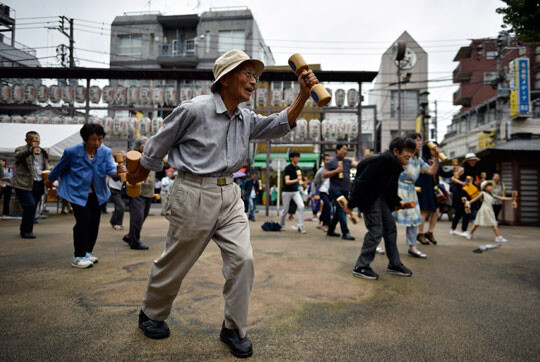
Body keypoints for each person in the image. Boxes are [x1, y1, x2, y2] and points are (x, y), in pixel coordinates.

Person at [128, 49, 319, 358]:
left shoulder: (246, 117)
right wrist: (137, 176)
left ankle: (233, 327)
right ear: (226, 78)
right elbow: (156, 145)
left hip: (230, 195)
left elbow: (280, 123)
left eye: (256, 76)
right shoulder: (194, 110)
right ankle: (151, 313)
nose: (254, 81)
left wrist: (304, 94)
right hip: (192, 192)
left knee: (243, 260)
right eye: (248, 74)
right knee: (176, 261)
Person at [48, 123, 125, 268]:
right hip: (77, 192)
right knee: (83, 221)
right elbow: (58, 169)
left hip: (98, 193)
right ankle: (78, 256)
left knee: (94, 223)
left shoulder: (105, 152)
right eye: (93, 139)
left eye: (100, 139)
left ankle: (88, 252)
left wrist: (119, 171)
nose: (97, 143)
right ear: (85, 139)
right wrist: (50, 181)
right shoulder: (72, 152)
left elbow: (112, 172)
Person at [348, 136, 417, 280]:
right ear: (396, 151)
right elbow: (361, 182)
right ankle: (361, 266)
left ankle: (394, 264)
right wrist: (351, 204)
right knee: (376, 230)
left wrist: (397, 202)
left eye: (412, 151)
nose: (409, 155)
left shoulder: (395, 165)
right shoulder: (383, 161)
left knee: (390, 228)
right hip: (369, 197)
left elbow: (390, 189)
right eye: (407, 151)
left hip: (380, 197)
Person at [393, 133, 440, 259]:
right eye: (416, 140)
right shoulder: (401, 156)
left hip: (411, 191)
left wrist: (437, 158)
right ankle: (379, 244)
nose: (419, 143)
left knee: (414, 220)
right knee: (389, 217)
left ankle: (412, 247)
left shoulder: (418, 160)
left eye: (420, 140)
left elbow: (431, 171)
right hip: (398, 188)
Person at [415, 142, 454, 245]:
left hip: (434, 190)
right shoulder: (422, 161)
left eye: (437, 148)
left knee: (436, 212)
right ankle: (420, 233)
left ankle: (430, 232)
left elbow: (444, 173)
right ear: (428, 150)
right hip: (424, 189)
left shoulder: (437, 161)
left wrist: (455, 170)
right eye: (433, 148)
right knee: (424, 211)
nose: (436, 150)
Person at [13, 131, 49, 238]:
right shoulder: (21, 150)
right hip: (24, 183)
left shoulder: (43, 152)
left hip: (38, 183)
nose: (35, 141)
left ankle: (25, 228)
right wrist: (30, 150)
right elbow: (18, 156)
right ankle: (26, 231)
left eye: (37, 139)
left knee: (32, 208)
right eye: (32, 139)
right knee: (30, 205)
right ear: (27, 140)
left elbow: (44, 166)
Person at [122, 137, 154, 251]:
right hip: (137, 190)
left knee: (142, 216)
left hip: (149, 191)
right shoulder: (133, 158)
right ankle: (135, 242)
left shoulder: (151, 156)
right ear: (140, 146)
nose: (148, 145)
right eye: (145, 143)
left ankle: (131, 236)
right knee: (137, 217)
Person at [323, 144, 358, 241]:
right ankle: (345, 232)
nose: (346, 151)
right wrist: (336, 171)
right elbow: (324, 174)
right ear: (337, 150)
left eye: (347, 150)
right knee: (343, 208)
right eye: (344, 149)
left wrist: (368, 162)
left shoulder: (347, 161)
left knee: (339, 211)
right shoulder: (331, 162)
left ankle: (330, 230)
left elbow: (357, 165)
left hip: (345, 190)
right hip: (335, 190)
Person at [450, 153, 481, 236]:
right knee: (459, 212)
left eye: (474, 160)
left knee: (468, 210)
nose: (473, 162)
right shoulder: (462, 169)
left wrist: (477, 183)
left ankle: (464, 230)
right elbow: (453, 178)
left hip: (468, 193)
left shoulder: (474, 169)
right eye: (471, 160)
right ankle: (453, 229)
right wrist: (462, 183)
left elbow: (472, 182)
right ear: (467, 161)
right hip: (460, 193)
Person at [279, 150, 306, 233]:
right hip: (286, 191)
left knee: (301, 206)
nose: (298, 158)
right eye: (296, 157)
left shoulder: (298, 168)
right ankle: (282, 225)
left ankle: (300, 227)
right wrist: (297, 180)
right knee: (285, 210)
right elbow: (287, 181)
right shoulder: (288, 168)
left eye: (298, 157)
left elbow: (299, 182)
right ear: (291, 158)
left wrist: (303, 184)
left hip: (295, 191)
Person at [312, 153, 331, 232]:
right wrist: (314, 194)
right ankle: (326, 225)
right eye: (327, 160)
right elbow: (314, 183)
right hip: (322, 191)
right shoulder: (320, 171)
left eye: (330, 160)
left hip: (330, 191)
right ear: (323, 161)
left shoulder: (333, 169)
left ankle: (320, 221)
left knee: (327, 207)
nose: (329, 161)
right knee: (328, 206)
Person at [109, 165, 125, 230]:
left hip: (119, 189)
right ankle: (118, 224)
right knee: (121, 206)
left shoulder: (125, 166)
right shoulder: (114, 165)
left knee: (118, 207)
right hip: (113, 189)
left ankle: (113, 221)